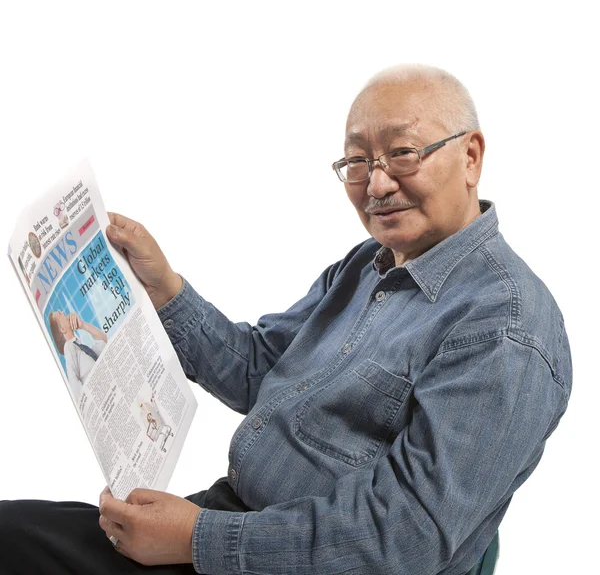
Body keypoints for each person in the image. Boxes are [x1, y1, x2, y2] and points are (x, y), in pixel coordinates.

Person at [0, 64, 572, 575]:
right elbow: (262, 370)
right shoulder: (366, 267)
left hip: (278, 556)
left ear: (470, 156)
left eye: (402, 153)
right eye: (357, 161)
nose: (376, 184)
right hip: (235, 523)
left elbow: (404, 541)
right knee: (17, 533)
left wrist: (197, 538)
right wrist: (167, 289)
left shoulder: (506, 330)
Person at [48, 310, 108, 399]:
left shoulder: (79, 348)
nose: (64, 312)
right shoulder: (69, 347)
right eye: (60, 314)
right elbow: (74, 385)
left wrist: (82, 325)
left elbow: (102, 340)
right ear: (63, 329)